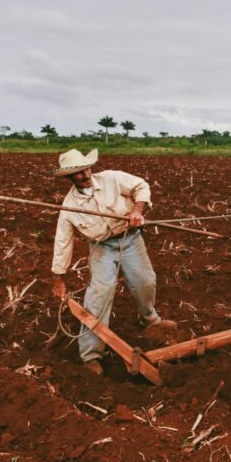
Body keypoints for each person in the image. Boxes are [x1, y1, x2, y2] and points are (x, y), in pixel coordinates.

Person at [50, 148, 175, 374]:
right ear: (69, 178)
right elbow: (62, 242)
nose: (85, 174)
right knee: (99, 294)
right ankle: (90, 355)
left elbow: (141, 186)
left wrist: (138, 210)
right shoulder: (69, 207)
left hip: (130, 238)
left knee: (145, 281)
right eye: (78, 173)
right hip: (101, 247)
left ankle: (149, 319)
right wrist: (59, 278)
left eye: (86, 168)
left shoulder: (112, 179)